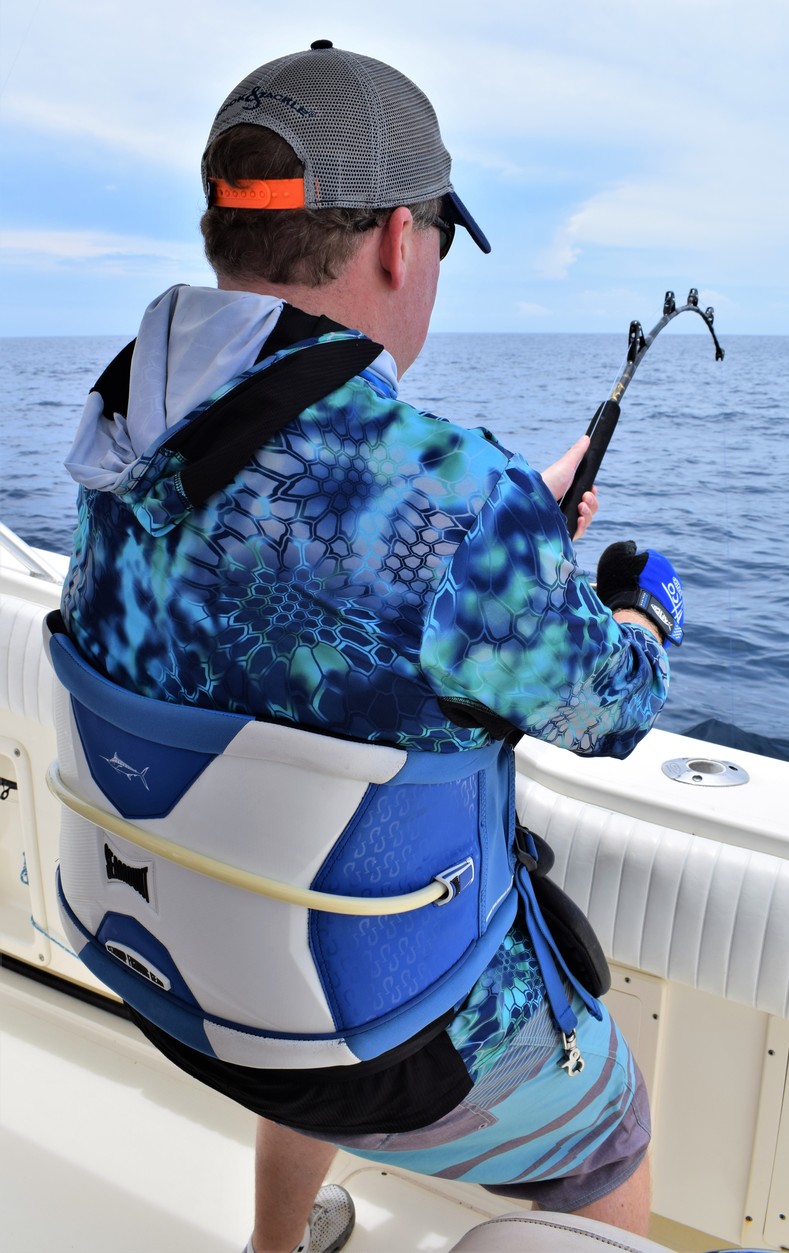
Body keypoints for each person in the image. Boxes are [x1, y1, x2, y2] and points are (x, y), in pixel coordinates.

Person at [56, 40, 684, 1253]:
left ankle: (275, 1243)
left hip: (175, 975)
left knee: (302, 914)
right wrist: (637, 605)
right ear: (400, 240)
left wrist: (514, 528)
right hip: (380, 1032)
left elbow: (280, 541)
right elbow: (611, 709)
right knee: (612, 1129)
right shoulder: (465, 500)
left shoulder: (122, 422)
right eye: (438, 240)